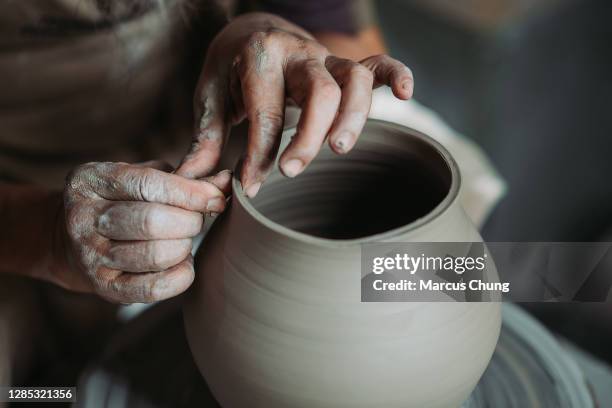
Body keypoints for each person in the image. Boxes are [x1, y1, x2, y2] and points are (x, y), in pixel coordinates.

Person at [0, 0, 412, 388]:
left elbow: (346, 36)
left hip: (244, 129)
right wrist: (46, 235)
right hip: (27, 197)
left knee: (461, 271)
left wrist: (284, 39)